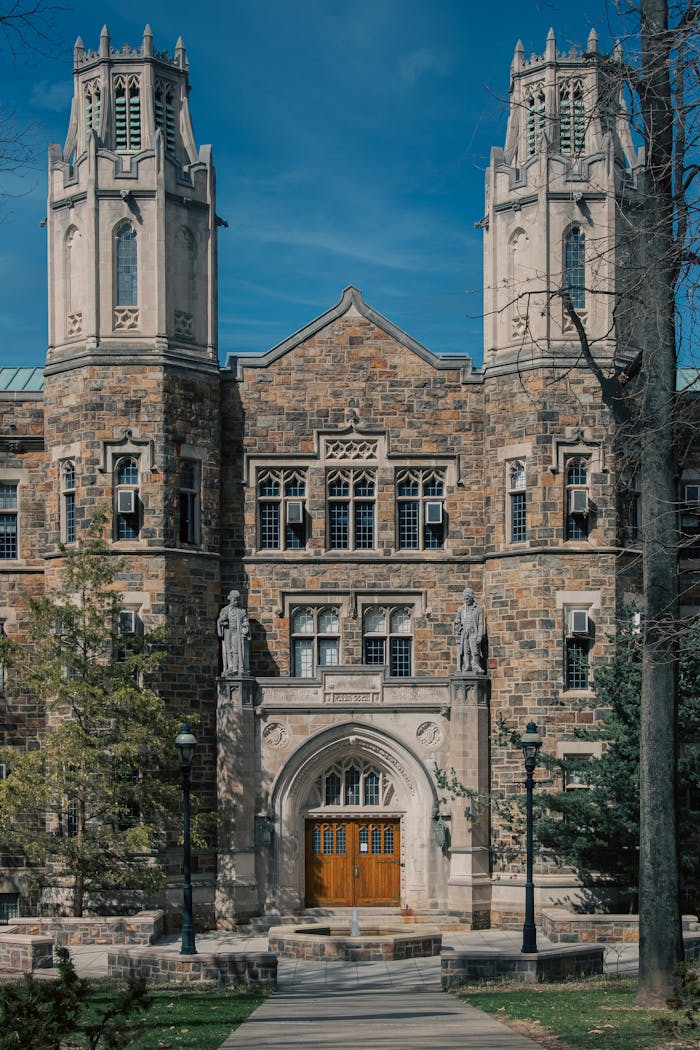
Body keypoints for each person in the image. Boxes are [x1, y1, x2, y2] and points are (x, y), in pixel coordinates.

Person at [217, 590, 250, 676]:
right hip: (228, 631)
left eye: (237, 600)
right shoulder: (224, 610)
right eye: (234, 600)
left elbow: (245, 621)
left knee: (236, 650)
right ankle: (230, 667)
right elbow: (220, 620)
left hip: (237, 631)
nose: (236, 602)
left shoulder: (242, 611)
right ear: (230, 599)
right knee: (229, 650)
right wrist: (222, 622)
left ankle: (235, 668)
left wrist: (245, 625)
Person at [454, 588, 485, 674]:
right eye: (464, 598)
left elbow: (481, 623)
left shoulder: (478, 609)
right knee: (466, 650)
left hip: (473, 632)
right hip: (465, 633)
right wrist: (457, 623)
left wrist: (479, 636)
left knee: (475, 651)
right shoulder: (461, 609)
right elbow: (457, 619)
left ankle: (476, 666)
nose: (466, 600)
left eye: (467, 598)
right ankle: (467, 665)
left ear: (472, 598)